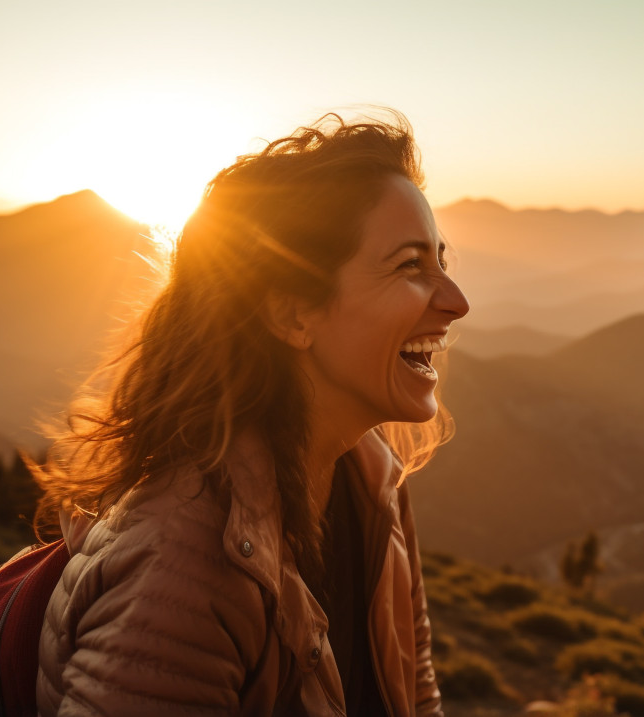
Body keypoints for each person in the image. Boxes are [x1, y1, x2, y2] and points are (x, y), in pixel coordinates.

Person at [31, 114, 466, 715]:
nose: (456, 301)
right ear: (292, 315)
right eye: (410, 265)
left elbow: (414, 692)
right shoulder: (181, 568)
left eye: (441, 260)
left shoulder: (374, 484)